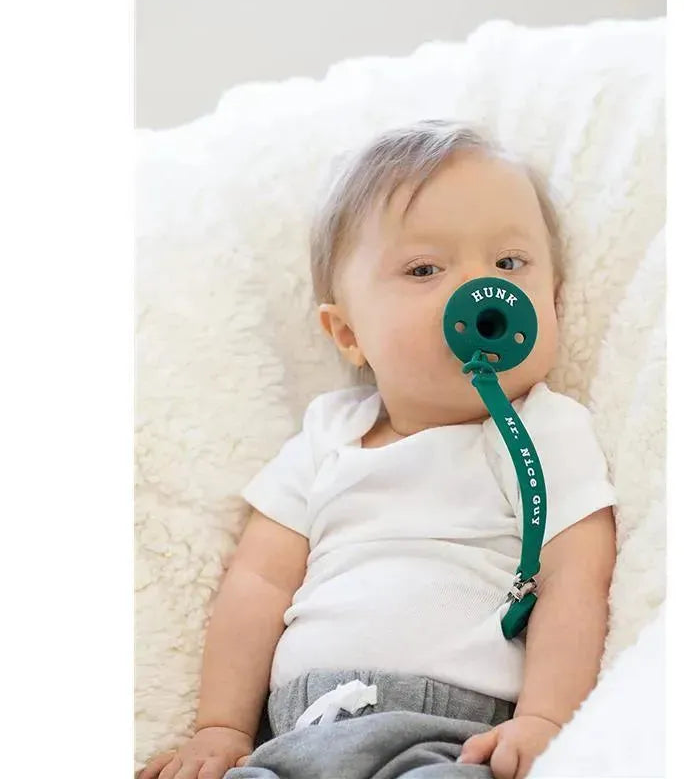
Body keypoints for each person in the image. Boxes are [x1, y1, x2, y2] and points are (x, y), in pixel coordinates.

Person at [140, 120, 617, 779]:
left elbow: (575, 580)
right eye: (424, 268)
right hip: (295, 734)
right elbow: (258, 583)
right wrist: (220, 727)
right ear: (348, 333)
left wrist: (545, 720)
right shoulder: (326, 435)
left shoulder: (545, 432)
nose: (482, 291)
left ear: (554, 303)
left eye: (510, 264)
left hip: (447, 736)